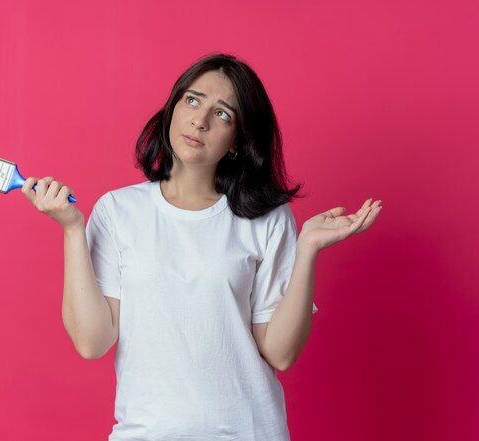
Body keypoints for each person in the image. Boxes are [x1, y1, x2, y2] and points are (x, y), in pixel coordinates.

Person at [21, 53, 382, 440]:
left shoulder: (266, 219)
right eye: (192, 100)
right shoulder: (117, 210)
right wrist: (73, 230)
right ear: (172, 109)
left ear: (237, 143)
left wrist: (308, 247)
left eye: (222, 114)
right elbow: (92, 342)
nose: (200, 120)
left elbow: (279, 352)